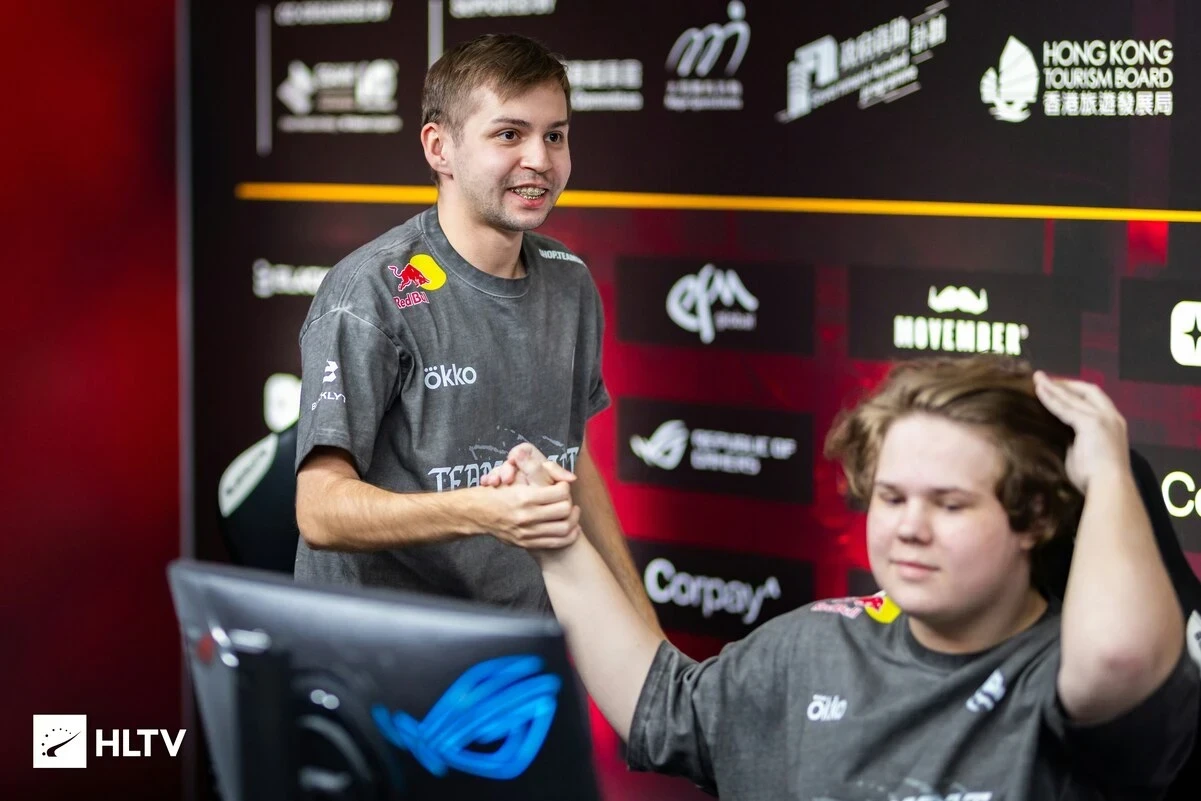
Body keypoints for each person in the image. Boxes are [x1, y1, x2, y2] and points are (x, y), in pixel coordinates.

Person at [493, 356, 1199, 800]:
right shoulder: (814, 645)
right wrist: (557, 543)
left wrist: (1109, 471)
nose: (909, 527)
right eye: (891, 497)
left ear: (1033, 517)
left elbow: (1119, 657)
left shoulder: (1063, 676)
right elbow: (661, 708)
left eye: (950, 504)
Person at [292, 33, 659, 631]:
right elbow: (319, 510)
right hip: (382, 654)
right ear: (440, 148)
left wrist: (647, 634)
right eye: (509, 134)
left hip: (519, 651)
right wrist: (484, 512)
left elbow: (572, 459)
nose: (540, 160)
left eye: (555, 135)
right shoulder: (370, 291)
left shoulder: (570, 281)